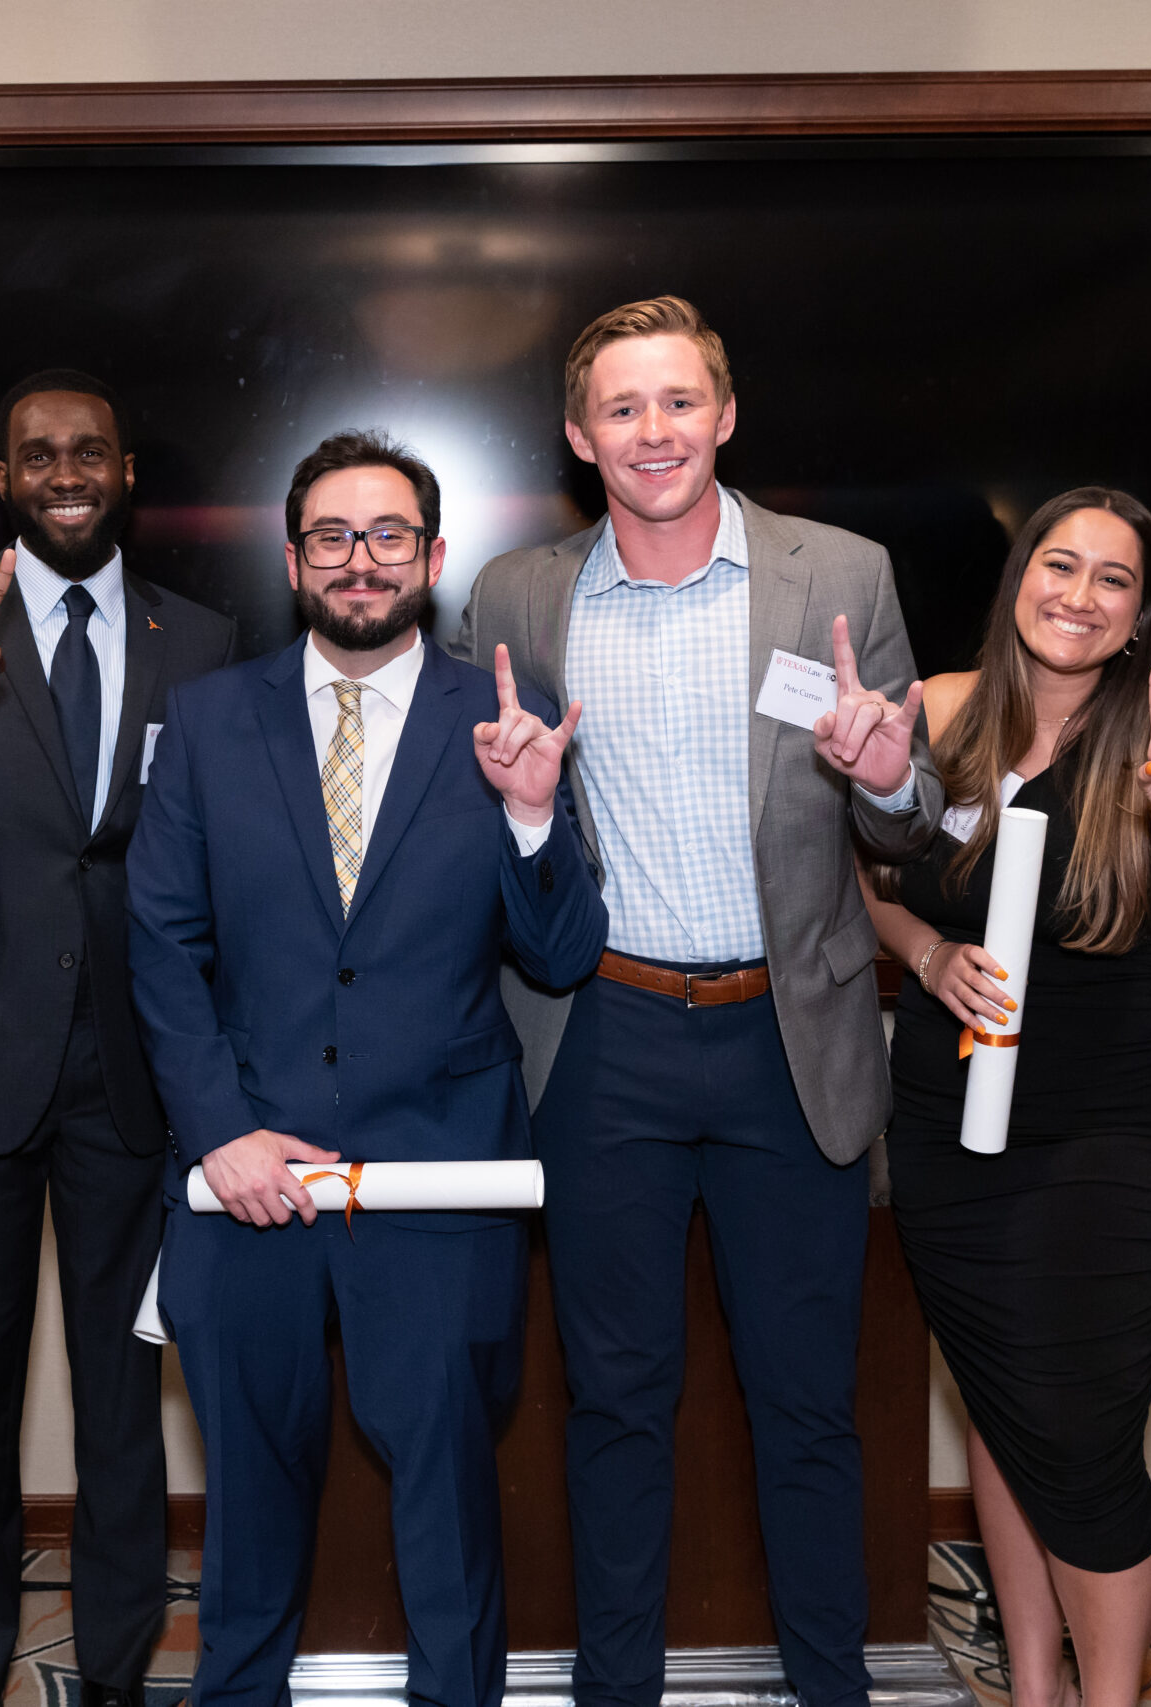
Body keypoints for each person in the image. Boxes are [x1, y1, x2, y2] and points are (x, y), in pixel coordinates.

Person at [456, 295, 939, 1707]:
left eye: (679, 402)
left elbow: (908, 837)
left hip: (788, 1039)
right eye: (622, 407)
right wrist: (531, 819)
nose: (653, 431)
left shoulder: (839, 573)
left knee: (806, 1408)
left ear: (725, 416)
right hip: (602, 1041)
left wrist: (891, 776)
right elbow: (503, 829)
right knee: (613, 1405)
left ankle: (831, 1688)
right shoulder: (518, 594)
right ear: (578, 434)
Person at [128, 429, 607, 1707]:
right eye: (333, 537)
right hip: (249, 1176)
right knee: (245, 1506)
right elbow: (163, 946)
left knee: (450, 1507)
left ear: (433, 558)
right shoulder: (210, 718)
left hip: (443, 1176)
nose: (361, 561)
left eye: (388, 535)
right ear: (293, 560)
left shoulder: (506, 719)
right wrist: (217, 1134)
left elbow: (561, 953)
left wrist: (530, 815)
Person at [859, 488, 1151, 1707]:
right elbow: (871, 875)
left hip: (1105, 1136)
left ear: (1141, 614)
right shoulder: (935, 712)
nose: (1077, 595)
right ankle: (1032, 1687)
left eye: (1112, 579)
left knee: (1078, 1437)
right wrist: (927, 957)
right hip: (945, 1125)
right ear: (1018, 577)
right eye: (1059, 564)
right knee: (1001, 1400)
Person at [0, 370, 234, 1707]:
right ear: (6, 475)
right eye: (37, 453)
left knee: (123, 1403)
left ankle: (119, 1674)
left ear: (125, 469)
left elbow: (205, 863)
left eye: (87, 450)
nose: (64, 469)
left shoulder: (202, 638)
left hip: (136, 1073)